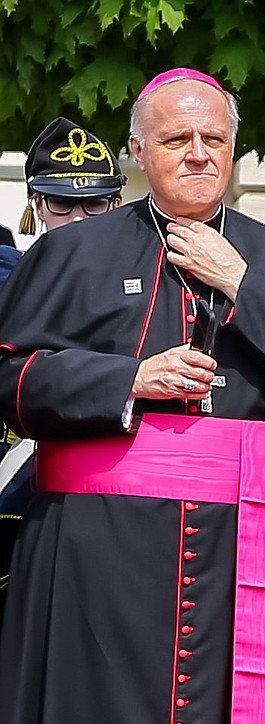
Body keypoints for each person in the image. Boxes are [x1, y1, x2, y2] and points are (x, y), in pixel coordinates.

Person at [0, 68, 265, 724]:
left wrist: (241, 281)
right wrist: (125, 381)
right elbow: (9, 380)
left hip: (245, 552)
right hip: (98, 558)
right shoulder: (72, 254)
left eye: (213, 137)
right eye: (176, 138)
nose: (199, 151)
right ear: (137, 151)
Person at [0, 116, 128, 630]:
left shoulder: (159, 283)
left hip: (113, 494)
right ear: (35, 206)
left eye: (94, 203)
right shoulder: (8, 280)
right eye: (61, 203)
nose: (78, 219)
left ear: (116, 204)